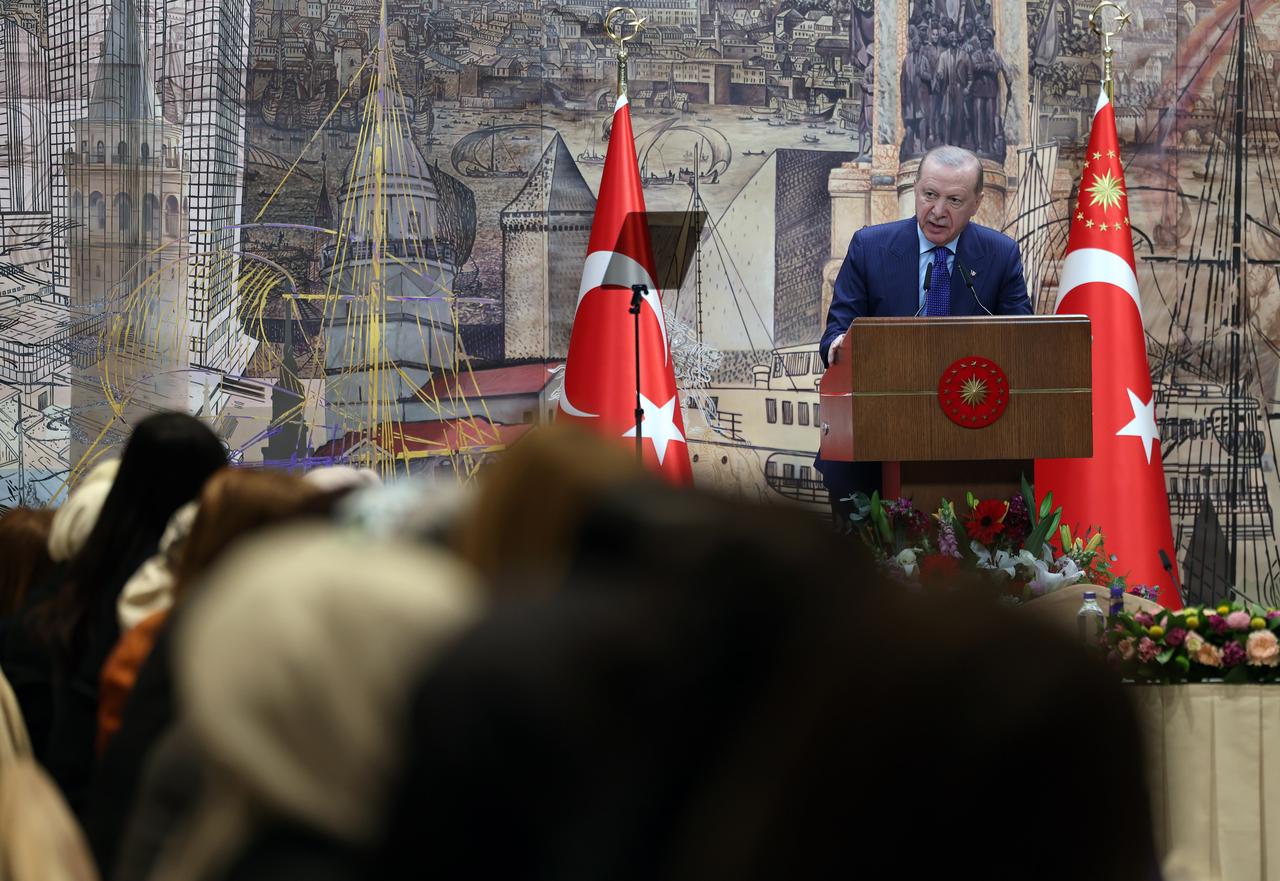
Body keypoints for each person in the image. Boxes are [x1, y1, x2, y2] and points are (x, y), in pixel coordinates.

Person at [816, 145, 1031, 518]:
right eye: (929, 195)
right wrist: (839, 344)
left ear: (977, 203)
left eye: (954, 200)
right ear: (915, 190)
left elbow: (1022, 343)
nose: (937, 211)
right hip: (874, 440)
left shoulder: (1000, 255)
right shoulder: (870, 247)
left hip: (971, 445)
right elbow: (837, 329)